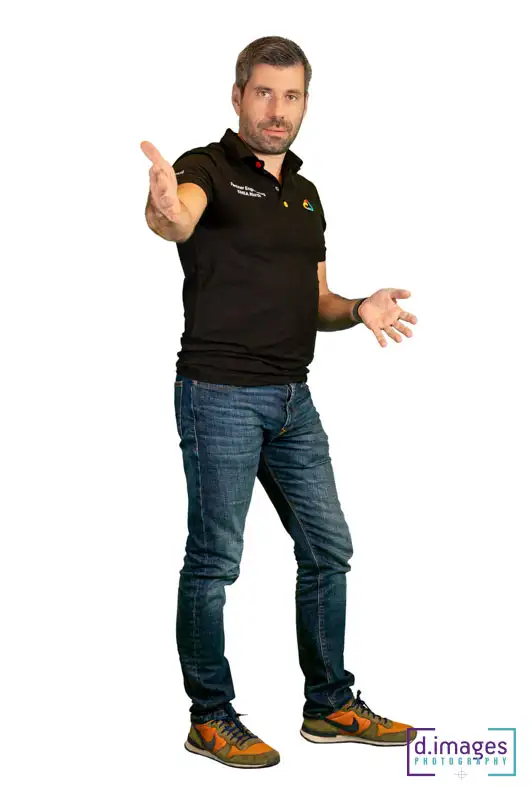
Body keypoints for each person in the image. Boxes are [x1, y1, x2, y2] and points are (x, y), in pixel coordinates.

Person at [141, 35, 418, 770]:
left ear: (304, 103)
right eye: (263, 92)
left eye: (291, 95)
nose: (277, 109)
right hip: (219, 396)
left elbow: (316, 299)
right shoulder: (206, 167)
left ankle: (328, 706)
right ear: (238, 96)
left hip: (294, 399)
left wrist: (358, 308)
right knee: (214, 562)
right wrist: (165, 209)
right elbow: (178, 217)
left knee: (329, 549)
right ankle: (210, 718)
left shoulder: (306, 192)